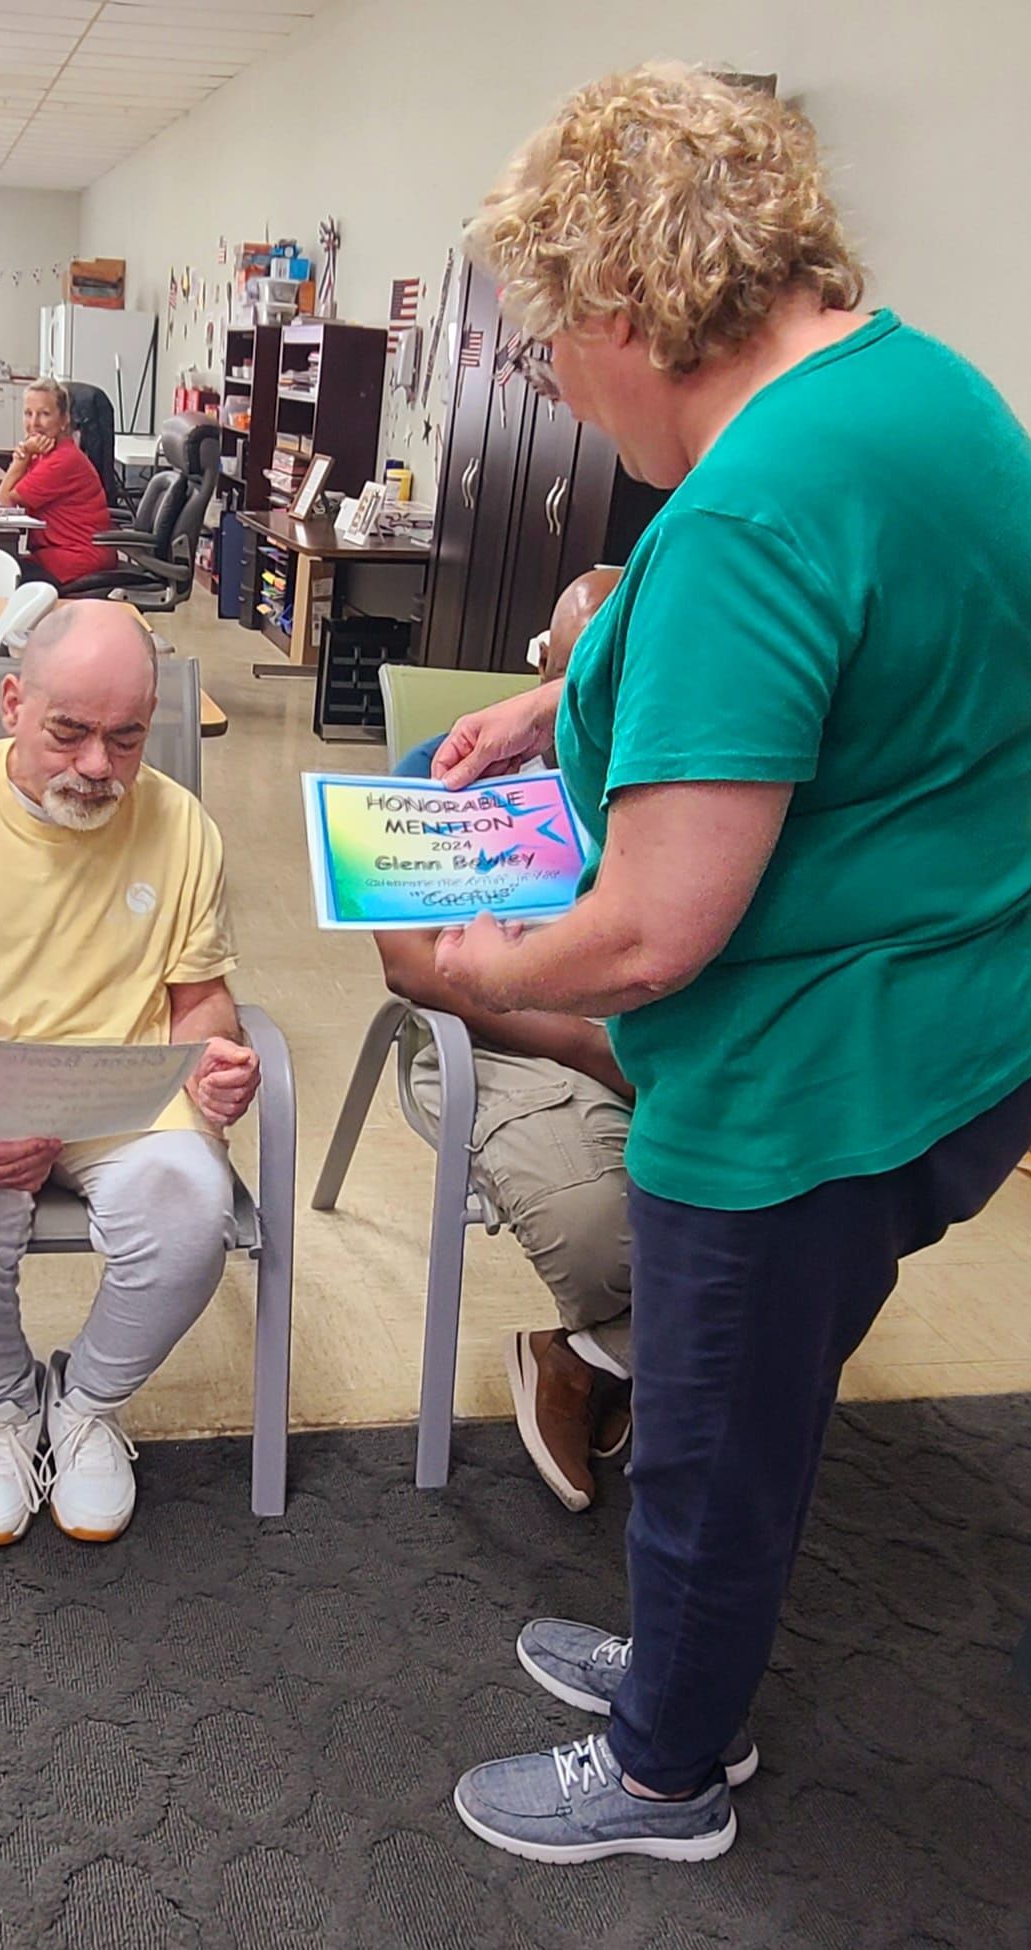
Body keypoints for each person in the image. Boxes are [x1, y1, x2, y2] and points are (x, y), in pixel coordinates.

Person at [432, 64, 1031, 1867]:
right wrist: (568, 693)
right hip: (986, 1010)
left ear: (628, 311)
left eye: (552, 347)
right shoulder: (916, 392)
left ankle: (665, 1770)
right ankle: (680, 1664)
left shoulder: (740, 512)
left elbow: (647, 929)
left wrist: (479, 964)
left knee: (718, 1441)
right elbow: (859, 649)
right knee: (765, 1399)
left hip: (821, 1071)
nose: (555, 387)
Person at [0, 600, 259, 1548]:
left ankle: (88, 1403)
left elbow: (200, 1001)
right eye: (68, 733)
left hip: (127, 1096)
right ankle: (2, 1409)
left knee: (192, 1220)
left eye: (126, 739)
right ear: (13, 703)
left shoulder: (182, 825)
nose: (98, 767)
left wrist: (216, 1061)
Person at [375, 568, 633, 1511]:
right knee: (613, 1241)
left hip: (654, 1026)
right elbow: (410, 969)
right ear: (544, 671)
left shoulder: (686, 781)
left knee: (814, 1219)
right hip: (506, 1038)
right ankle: (631, 1352)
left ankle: (589, 1359)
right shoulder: (454, 771)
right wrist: (584, 1045)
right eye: (583, 674)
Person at [0, 376, 112, 590]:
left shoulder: (63, 460)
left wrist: (21, 457)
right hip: (54, 553)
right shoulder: (44, 454)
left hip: (77, 556)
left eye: (44, 414)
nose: (34, 424)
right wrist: (26, 456)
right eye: (28, 413)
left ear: (64, 420)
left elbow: (5, 501)